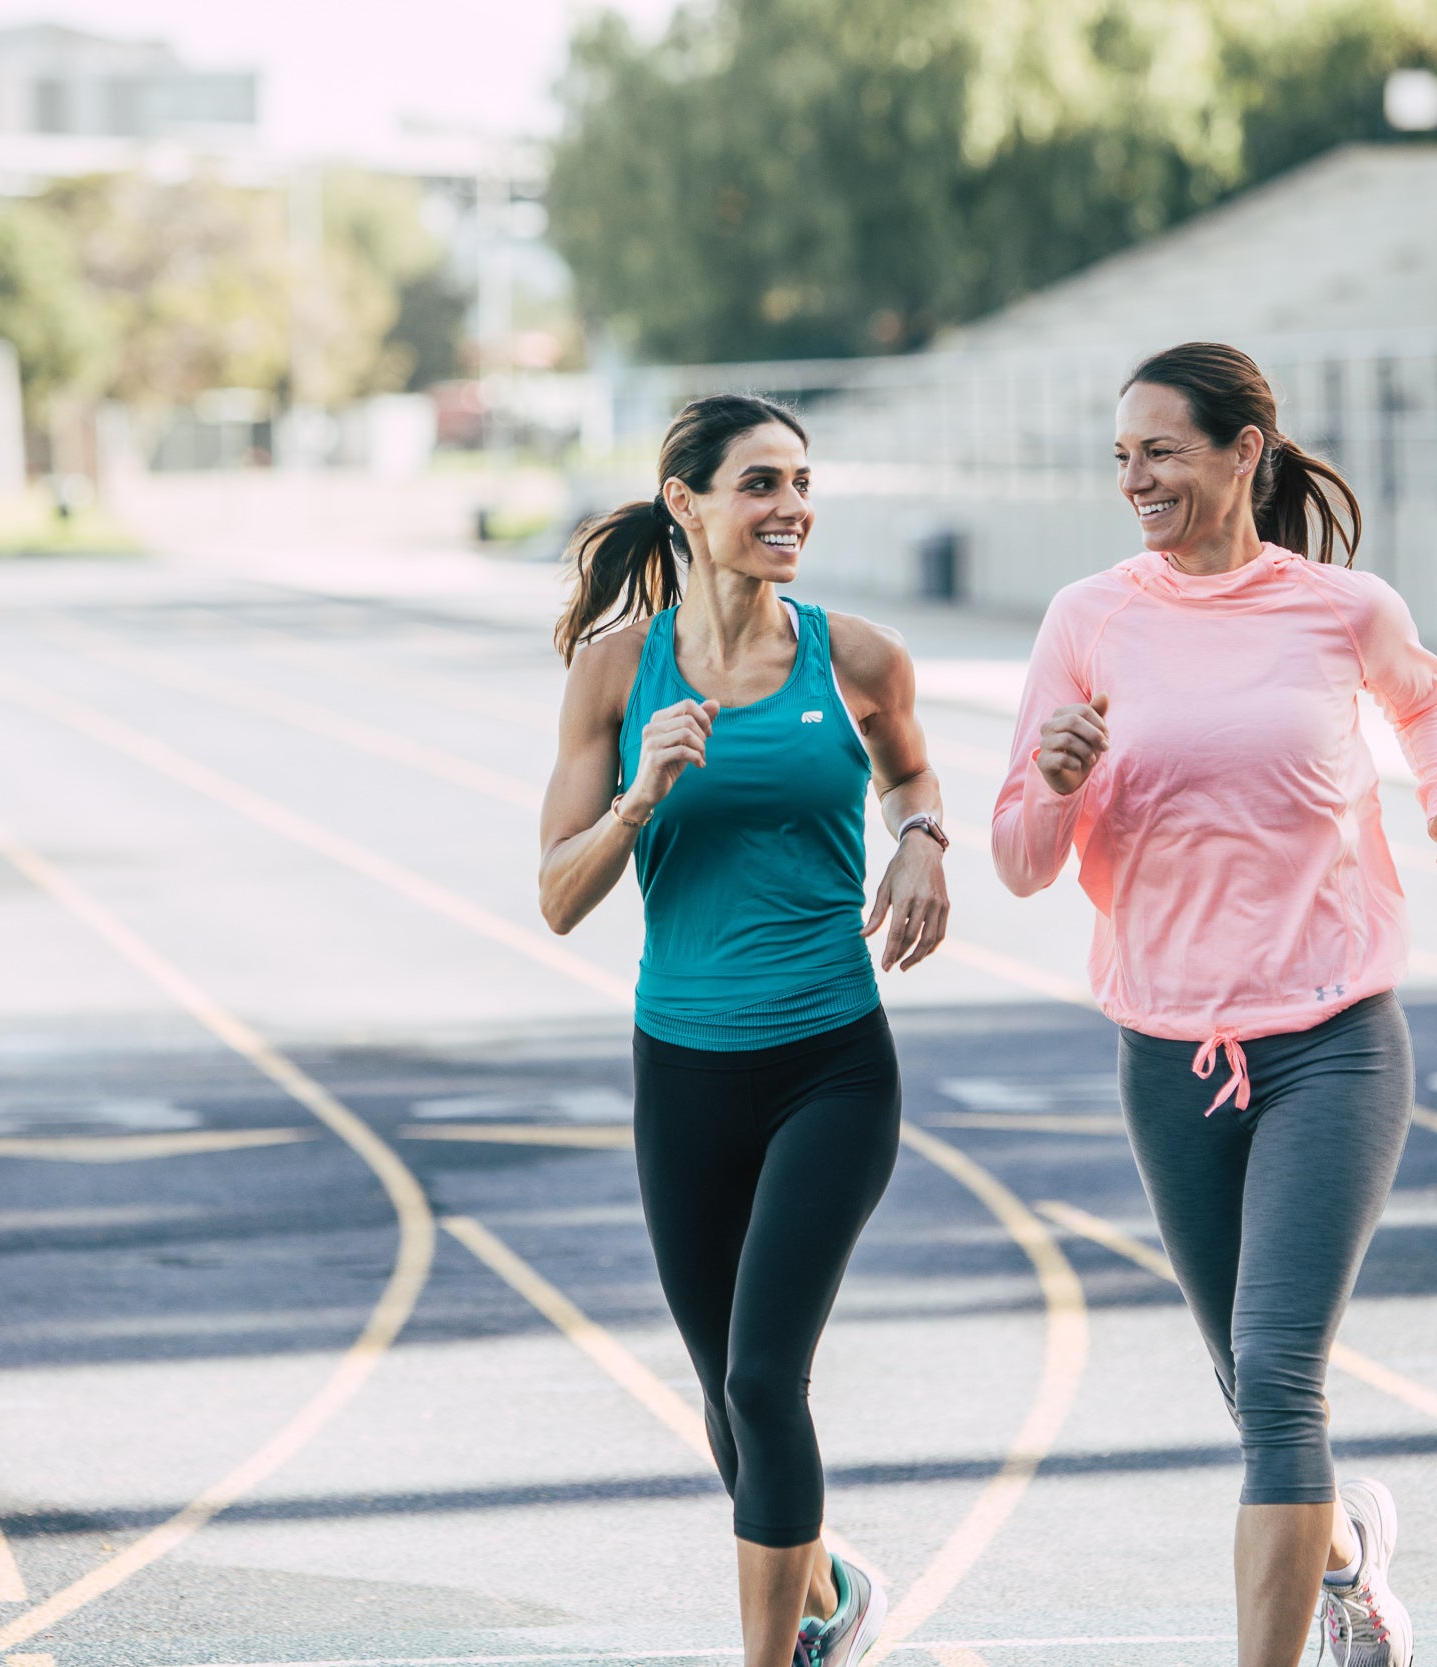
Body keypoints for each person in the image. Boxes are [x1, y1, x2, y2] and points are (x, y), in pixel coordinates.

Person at [991, 343, 1437, 1667]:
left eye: (1160, 449)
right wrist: (1051, 775)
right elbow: (1023, 860)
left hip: (1332, 1037)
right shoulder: (1088, 620)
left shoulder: (1339, 607)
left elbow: (1427, 703)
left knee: (1279, 1379)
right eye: (1121, 456)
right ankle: (1347, 1560)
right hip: (1165, 1050)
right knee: (1249, 1385)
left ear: (1243, 452)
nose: (1136, 478)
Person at [538, 394, 950, 1667]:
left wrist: (925, 839)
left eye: (801, 482)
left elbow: (912, 769)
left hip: (831, 1062)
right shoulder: (616, 671)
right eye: (759, 483)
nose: (790, 508)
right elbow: (556, 894)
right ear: (687, 504)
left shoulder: (856, 656)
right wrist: (639, 800)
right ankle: (831, 1589)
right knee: (728, 1403)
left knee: (767, 1380)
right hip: (684, 1073)